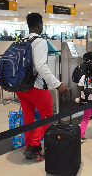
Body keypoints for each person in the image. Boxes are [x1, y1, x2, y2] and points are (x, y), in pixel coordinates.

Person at [15, 13, 68, 161]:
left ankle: (28, 145)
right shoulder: (39, 42)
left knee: (28, 116)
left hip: (20, 87)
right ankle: (33, 146)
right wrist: (57, 84)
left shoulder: (21, 41)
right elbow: (40, 66)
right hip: (35, 87)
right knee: (46, 115)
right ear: (38, 25)